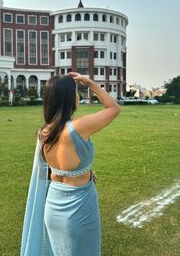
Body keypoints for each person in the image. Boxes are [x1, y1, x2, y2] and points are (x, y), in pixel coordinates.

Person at [20, 72, 121, 256]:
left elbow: (54, 169)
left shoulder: (44, 132)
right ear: (68, 98)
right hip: (79, 208)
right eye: (75, 92)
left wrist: (84, 172)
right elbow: (114, 108)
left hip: (52, 207)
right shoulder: (78, 127)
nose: (78, 96)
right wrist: (91, 84)